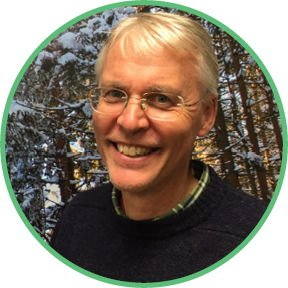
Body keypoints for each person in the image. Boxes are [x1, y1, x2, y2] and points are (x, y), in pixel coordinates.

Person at [50, 12, 268, 282]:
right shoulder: (79, 218)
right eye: (115, 93)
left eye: (162, 98)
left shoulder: (261, 242)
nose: (130, 121)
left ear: (207, 115)